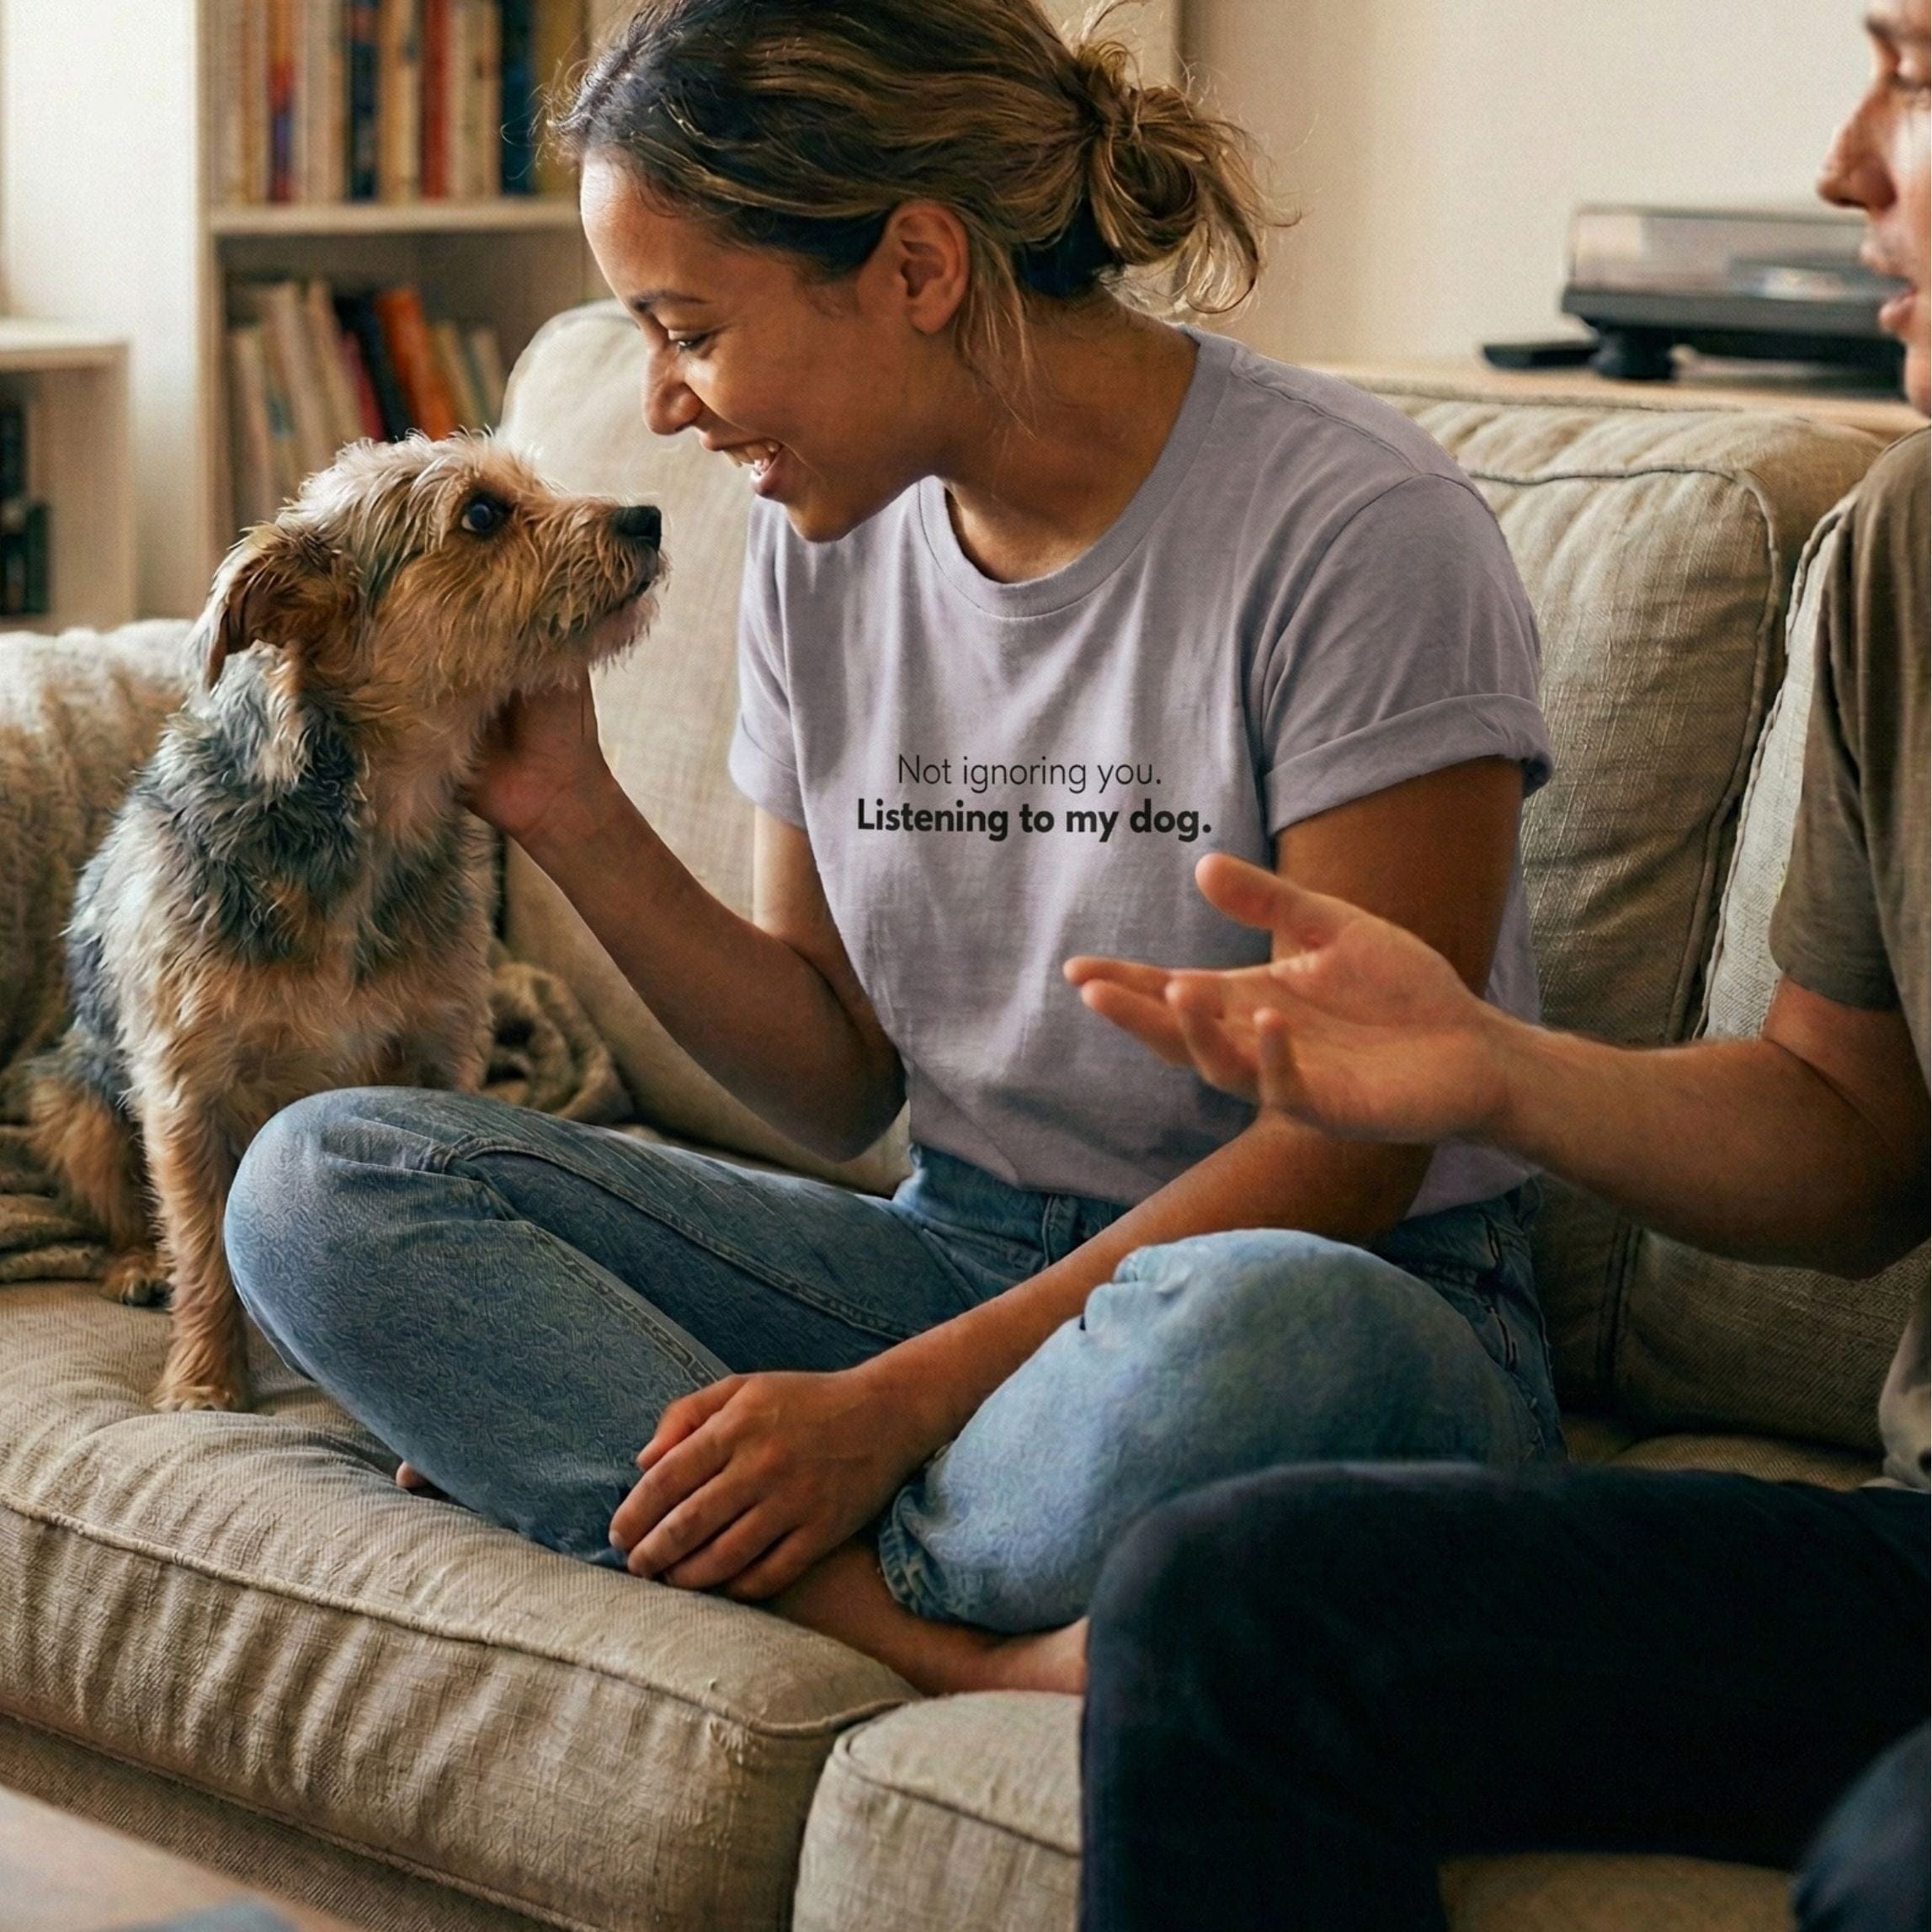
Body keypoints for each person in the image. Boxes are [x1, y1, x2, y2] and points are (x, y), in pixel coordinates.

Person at [224, 0, 1562, 1695]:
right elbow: (836, 1078)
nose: (663, 399)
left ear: (918, 264)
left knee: (1262, 1328)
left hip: (1331, 1289)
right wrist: (570, 814)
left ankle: (709, 1534)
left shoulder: (1355, 529)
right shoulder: (821, 537)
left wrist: (877, 1411)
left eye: (689, 327)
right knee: (327, 1182)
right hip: (958, 1254)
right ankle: (950, 1624)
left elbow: (1353, 1156)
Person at [1067, 3, 1930, 1923]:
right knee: (1231, 1604)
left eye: (1920, 68)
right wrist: (1489, 1071)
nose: (1844, 164)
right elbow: (1846, 1144)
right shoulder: (1908, 559)